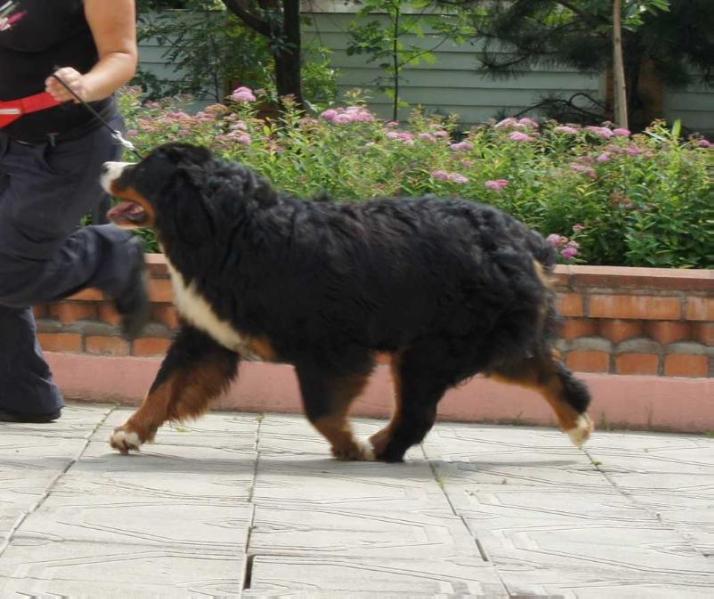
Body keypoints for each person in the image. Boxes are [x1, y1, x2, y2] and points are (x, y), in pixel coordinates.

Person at [0, 0, 148, 423]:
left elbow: (121, 55)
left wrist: (84, 84)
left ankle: (108, 251)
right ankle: (24, 395)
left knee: (9, 271)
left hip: (64, 148)